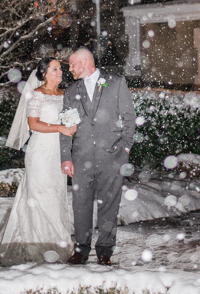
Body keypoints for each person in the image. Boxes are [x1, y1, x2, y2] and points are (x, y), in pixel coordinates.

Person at [0, 57, 77, 265]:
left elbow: (69, 122)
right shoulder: (37, 95)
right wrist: (59, 127)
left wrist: (73, 128)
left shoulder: (65, 95)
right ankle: (37, 245)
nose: (60, 72)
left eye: (60, 68)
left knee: (55, 196)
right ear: (44, 74)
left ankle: (57, 244)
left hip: (58, 153)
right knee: (38, 194)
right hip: (40, 152)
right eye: (55, 69)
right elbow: (34, 124)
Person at [61, 47, 136, 266]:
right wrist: (66, 157)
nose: (71, 69)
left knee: (109, 205)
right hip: (80, 159)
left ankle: (105, 250)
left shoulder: (115, 82)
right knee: (80, 206)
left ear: (85, 62)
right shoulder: (71, 91)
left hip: (112, 157)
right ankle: (81, 250)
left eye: (73, 64)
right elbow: (66, 127)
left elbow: (129, 117)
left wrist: (125, 150)